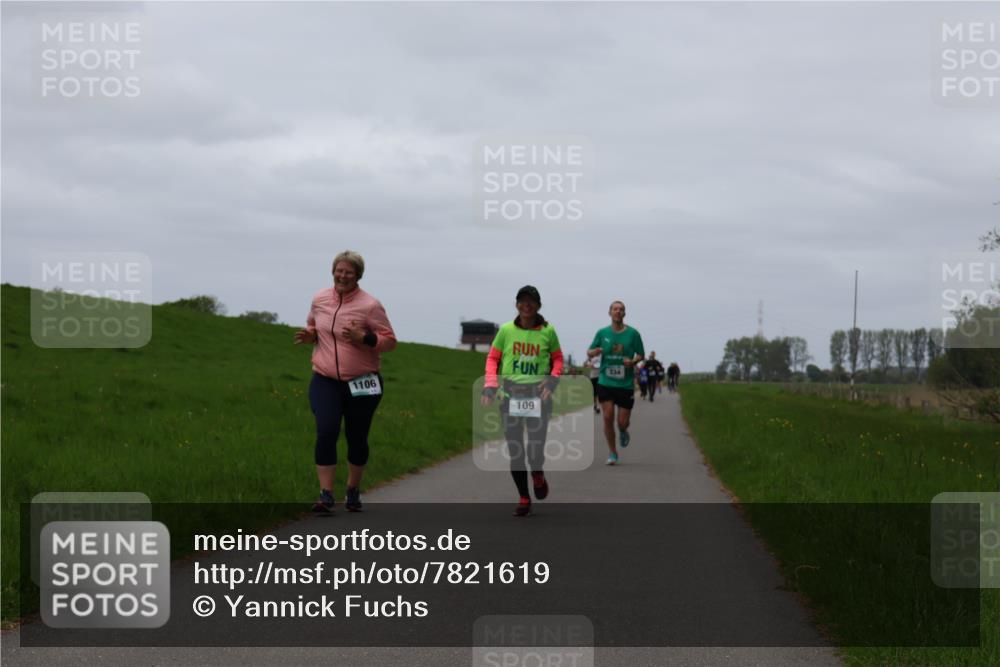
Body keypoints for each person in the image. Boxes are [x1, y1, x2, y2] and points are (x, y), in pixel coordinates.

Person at [294, 251, 397, 514]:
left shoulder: (370, 305)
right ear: (333, 272)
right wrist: (311, 336)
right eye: (339, 270)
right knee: (326, 431)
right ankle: (326, 494)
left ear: (358, 275)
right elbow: (313, 325)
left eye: (349, 272)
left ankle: (352, 489)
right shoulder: (320, 299)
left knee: (356, 437)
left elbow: (390, 341)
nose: (343, 275)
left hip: (362, 382)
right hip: (325, 379)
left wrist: (365, 338)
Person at [481, 286, 563, 517]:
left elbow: (557, 360)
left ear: (538, 306)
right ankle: (523, 496)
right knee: (516, 451)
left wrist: (552, 380)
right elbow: (493, 358)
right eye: (522, 301)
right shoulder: (506, 330)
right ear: (517, 304)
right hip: (510, 397)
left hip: (538, 396)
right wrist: (490, 384)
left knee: (534, 449)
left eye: (531, 301)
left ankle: (537, 472)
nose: (526, 305)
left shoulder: (548, 331)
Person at [587, 301, 644, 465]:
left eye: (621, 310)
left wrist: (633, 362)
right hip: (606, 381)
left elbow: (641, 354)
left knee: (622, 422)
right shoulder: (602, 332)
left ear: (624, 313)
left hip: (625, 384)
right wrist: (595, 351)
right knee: (607, 416)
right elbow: (589, 352)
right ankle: (612, 452)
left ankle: (623, 430)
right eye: (615, 309)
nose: (618, 312)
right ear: (610, 312)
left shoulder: (633, 334)